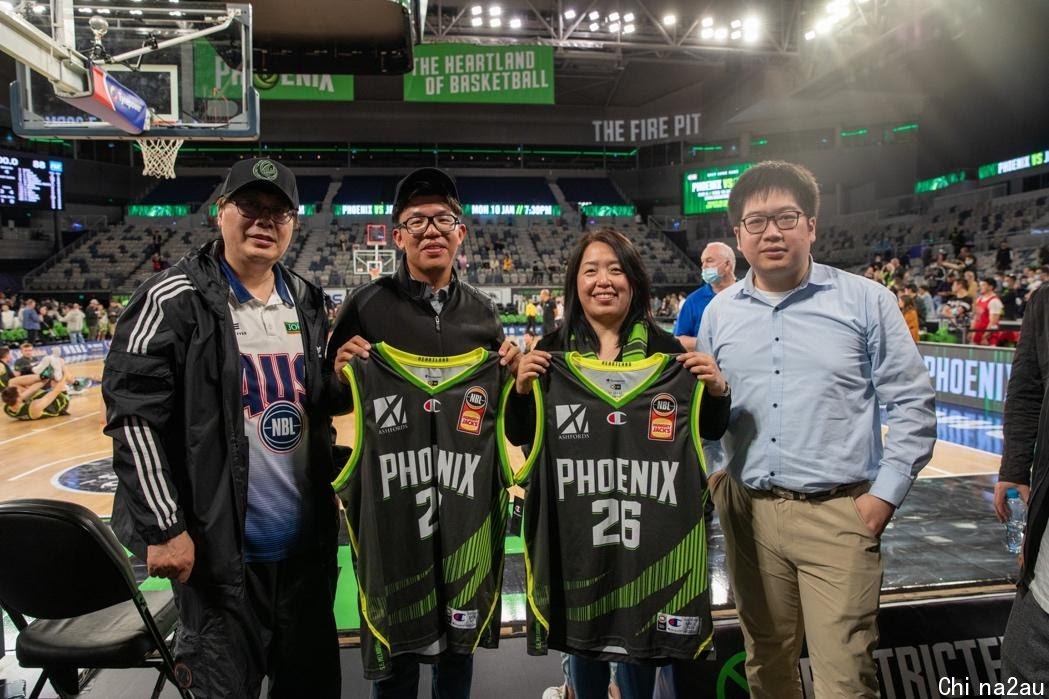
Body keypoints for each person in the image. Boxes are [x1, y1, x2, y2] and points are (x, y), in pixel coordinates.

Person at [102, 158, 343, 698]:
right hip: (218, 556)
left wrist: (344, 379)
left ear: (294, 223)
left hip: (303, 554)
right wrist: (164, 527)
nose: (264, 221)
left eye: (277, 211)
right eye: (249, 208)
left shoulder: (305, 299)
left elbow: (311, 404)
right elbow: (134, 415)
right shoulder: (171, 297)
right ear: (220, 215)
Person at [698, 161, 936, 698]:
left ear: (811, 226)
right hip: (749, 514)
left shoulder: (866, 300)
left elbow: (913, 404)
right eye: (756, 222)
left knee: (846, 682)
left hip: (840, 514)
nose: (772, 232)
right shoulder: (719, 314)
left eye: (786, 217)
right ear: (739, 235)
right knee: (767, 669)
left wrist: (882, 499)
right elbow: (705, 412)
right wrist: (717, 479)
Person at [506, 228, 731, 699]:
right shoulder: (553, 350)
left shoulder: (667, 351)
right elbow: (518, 435)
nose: (603, 280)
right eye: (591, 270)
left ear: (635, 281)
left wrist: (716, 391)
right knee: (583, 654)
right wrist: (523, 391)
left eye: (616, 269)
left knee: (639, 661)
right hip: (579, 542)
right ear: (575, 282)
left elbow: (706, 431)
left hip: (647, 543)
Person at [327, 166, 519, 698]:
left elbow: (501, 406)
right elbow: (329, 396)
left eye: (443, 219)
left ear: (461, 232)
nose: (431, 230)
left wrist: (512, 372)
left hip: (460, 508)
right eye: (416, 221)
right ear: (397, 236)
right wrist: (339, 369)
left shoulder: (483, 313)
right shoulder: (365, 305)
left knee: (457, 658)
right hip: (394, 507)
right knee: (396, 656)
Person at [995, 285, 1049, 686]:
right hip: (1044, 569)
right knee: (1023, 671)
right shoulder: (1045, 300)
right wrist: (1014, 470)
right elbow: (1027, 389)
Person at [673, 241, 737, 351]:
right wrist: (713, 342)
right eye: (702, 262)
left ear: (727, 265)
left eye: (709, 260)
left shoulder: (748, 294)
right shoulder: (693, 300)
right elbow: (679, 339)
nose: (703, 266)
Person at [2, 374, 70, 420]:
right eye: (20, 393)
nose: (21, 393)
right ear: (18, 399)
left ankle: (43, 376)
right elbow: (56, 391)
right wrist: (65, 375)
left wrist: (44, 379)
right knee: (57, 379)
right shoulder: (35, 407)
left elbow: (32, 390)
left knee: (12, 382)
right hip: (58, 401)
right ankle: (76, 384)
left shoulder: (8, 408)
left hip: (36, 400)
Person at [971, 277, 1004, 345]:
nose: (980, 287)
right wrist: (971, 332)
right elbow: (976, 318)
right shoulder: (979, 299)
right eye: (980, 285)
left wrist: (985, 336)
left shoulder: (994, 301)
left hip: (988, 338)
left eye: (983, 285)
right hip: (977, 334)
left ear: (990, 287)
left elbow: (993, 322)